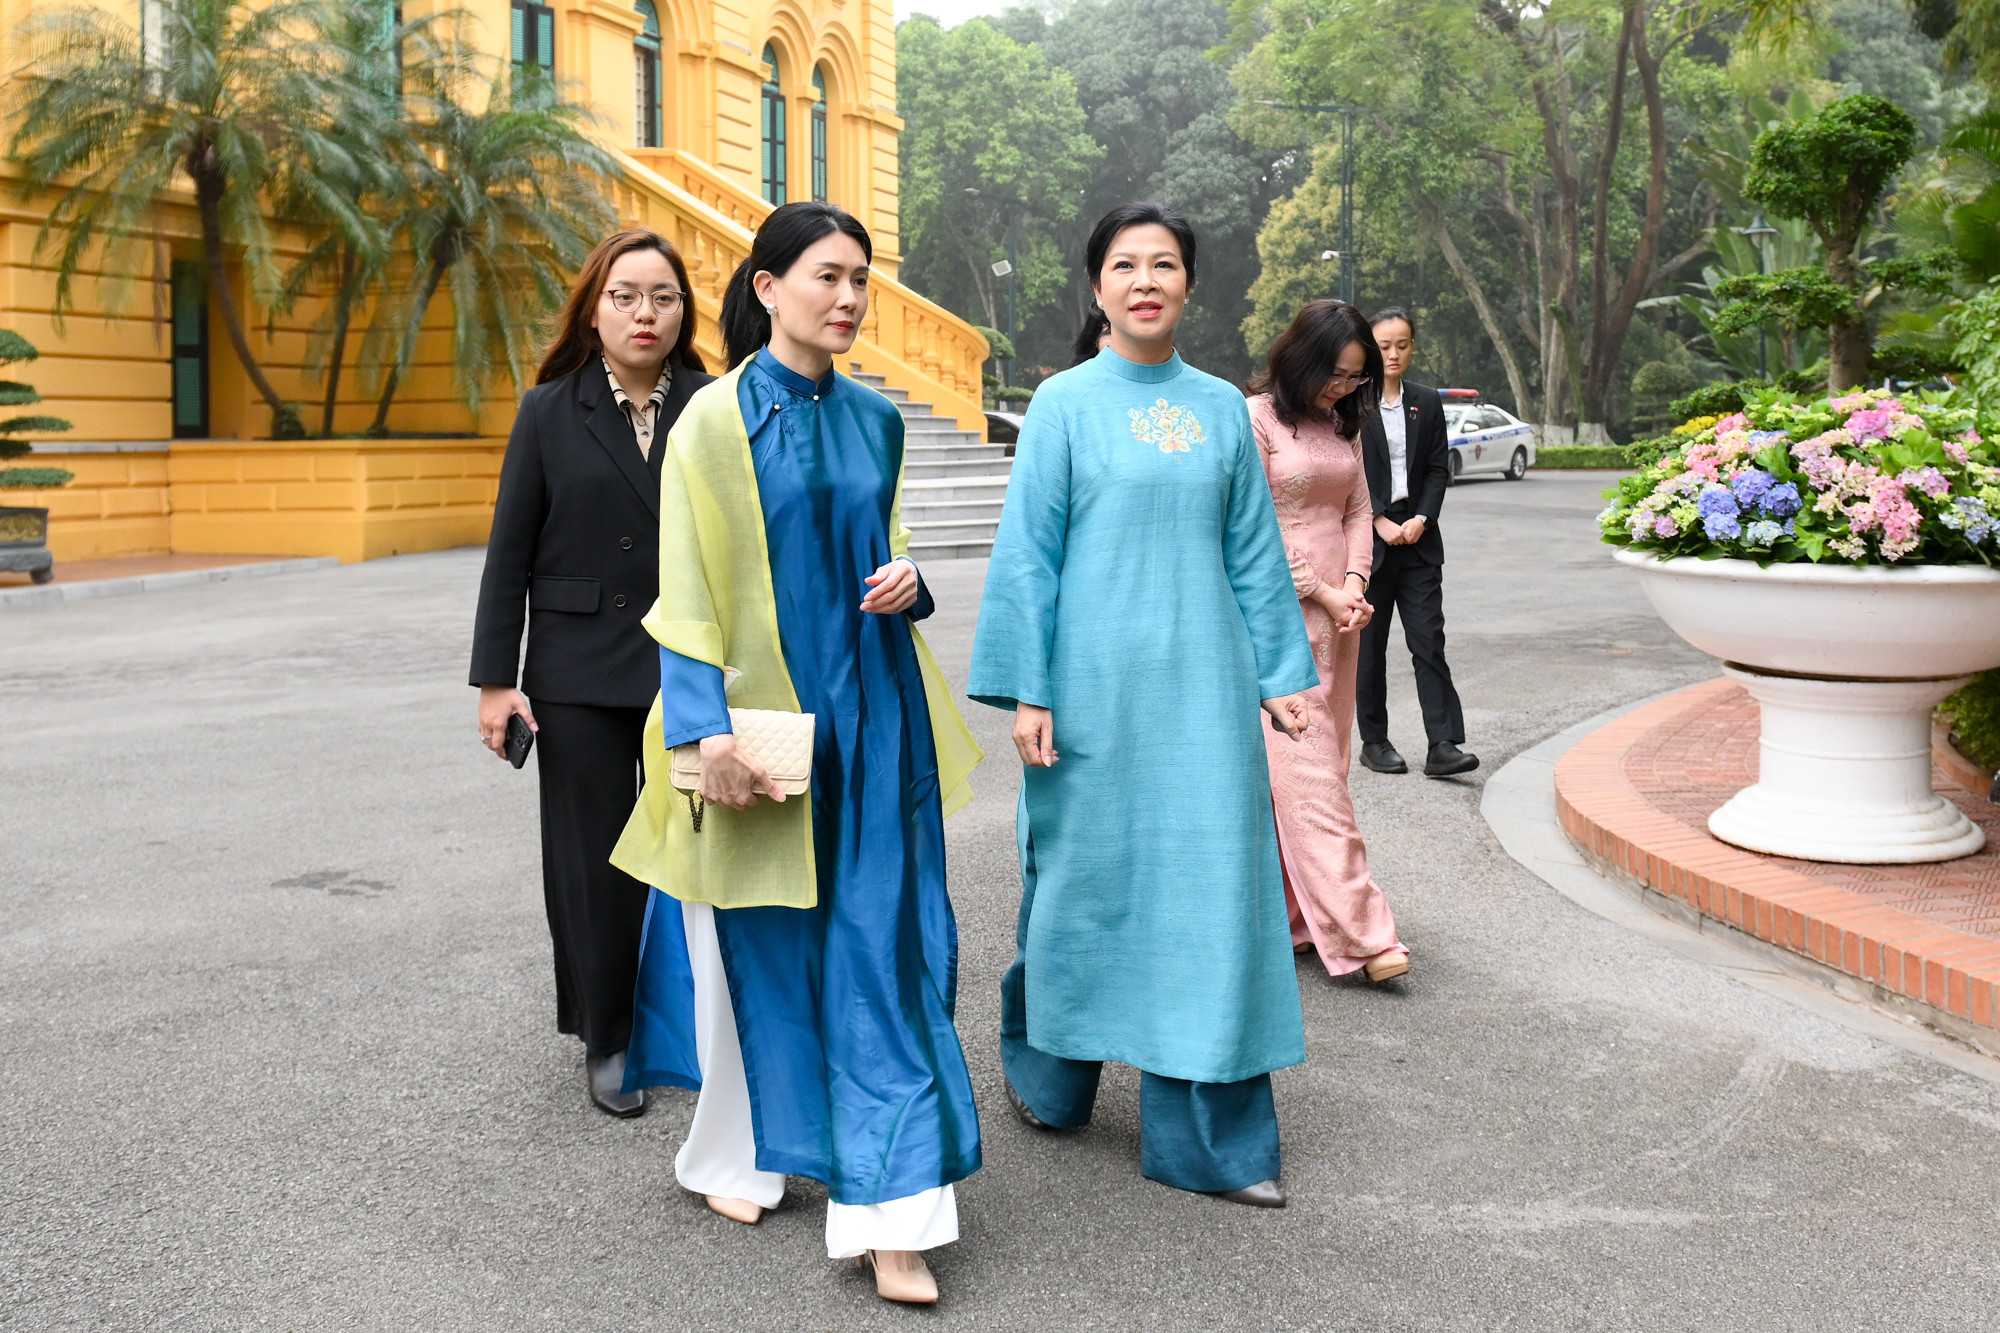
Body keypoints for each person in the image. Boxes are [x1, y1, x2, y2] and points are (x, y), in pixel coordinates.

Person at [608, 202, 985, 1305]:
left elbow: (893, 547)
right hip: (759, 730)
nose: (850, 297)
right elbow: (685, 586)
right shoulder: (711, 421)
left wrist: (913, 583)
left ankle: (892, 1212)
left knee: (880, 955)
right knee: (756, 955)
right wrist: (703, 730)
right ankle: (736, 1155)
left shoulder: (877, 420)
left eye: (861, 278)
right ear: (767, 288)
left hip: (873, 723)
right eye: (828, 276)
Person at [969, 202, 1319, 1209]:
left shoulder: (1221, 409)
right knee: (1081, 887)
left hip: (1203, 697)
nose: (1144, 281)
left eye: (1163, 264)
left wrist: (1280, 675)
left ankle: (1212, 1141)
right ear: (1098, 288)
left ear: (1188, 285)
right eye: (1124, 265)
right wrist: (1029, 690)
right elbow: (1028, 555)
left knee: (1211, 899)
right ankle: (1049, 1074)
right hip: (1088, 697)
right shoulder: (1062, 404)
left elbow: (1252, 551)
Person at [469, 229, 713, 1118]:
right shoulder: (548, 411)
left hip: (693, 661)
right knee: (594, 862)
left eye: (663, 297)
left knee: (705, 849)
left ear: (685, 311)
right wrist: (497, 681)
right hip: (578, 671)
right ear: (594, 307)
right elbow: (509, 555)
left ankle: (712, 1023)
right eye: (626, 296)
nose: (645, 313)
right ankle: (608, 1035)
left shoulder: (715, 405)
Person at [1246, 300, 1411, 984]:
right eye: (1335, 374)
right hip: (1279, 613)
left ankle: (1295, 916)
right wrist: (1319, 589)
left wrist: (1355, 581)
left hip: (1343, 617)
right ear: (1302, 358)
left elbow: (1359, 509)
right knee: (1308, 769)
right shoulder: (1255, 419)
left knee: (1325, 764)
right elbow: (1250, 524)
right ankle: (1365, 931)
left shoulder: (1345, 423)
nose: (1343, 388)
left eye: (1355, 377)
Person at [1355, 307, 1477, 778]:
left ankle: (1442, 745)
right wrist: (1377, 518)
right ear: (1370, 348)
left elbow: (1436, 468)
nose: (1393, 354)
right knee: (1370, 649)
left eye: (1402, 345)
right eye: (1384, 345)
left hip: (1419, 539)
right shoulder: (1352, 400)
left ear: (1412, 347)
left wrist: (1423, 517)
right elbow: (1347, 469)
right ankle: (1374, 741)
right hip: (1370, 541)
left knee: (1429, 642)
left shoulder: (1425, 400)